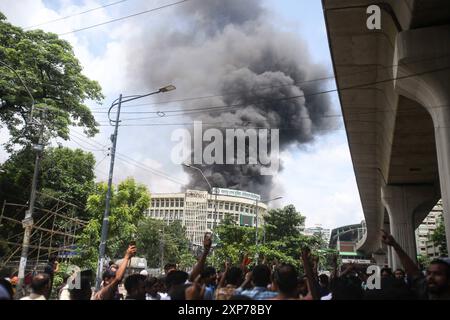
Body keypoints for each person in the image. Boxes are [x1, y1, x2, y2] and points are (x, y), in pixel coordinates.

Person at [381, 229, 450, 300]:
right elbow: (413, 271)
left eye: (437, 274)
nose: (430, 277)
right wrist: (394, 245)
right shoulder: (425, 290)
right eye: (428, 273)